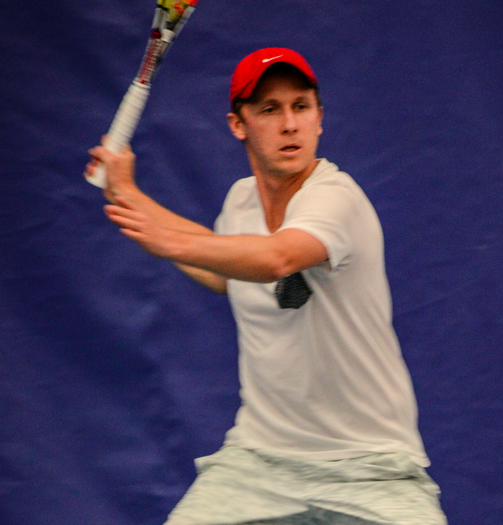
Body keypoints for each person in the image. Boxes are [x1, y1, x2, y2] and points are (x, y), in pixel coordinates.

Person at [86, 48, 447, 525]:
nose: (290, 124)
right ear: (239, 124)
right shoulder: (240, 201)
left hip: (372, 468)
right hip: (257, 463)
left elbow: (277, 258)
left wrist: (167, 241)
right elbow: (221, 267)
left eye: (301, 106)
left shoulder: (337, 198)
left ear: (320, 119)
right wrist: (125, 193)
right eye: (270, 110)